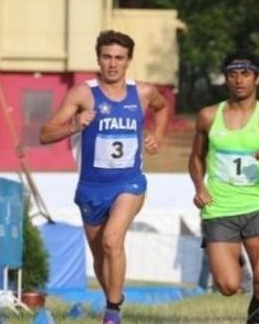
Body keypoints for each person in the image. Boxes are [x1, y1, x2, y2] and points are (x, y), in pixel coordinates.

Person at [39, 30, 169, 324]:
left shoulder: (143, 92)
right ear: (98, 59)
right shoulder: (83, 94)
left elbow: (162, 108)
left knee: (113, 241)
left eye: (119, 58)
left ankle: (112, 312)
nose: (112, 64)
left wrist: (157, 137)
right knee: (100, 257)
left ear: (128, 61)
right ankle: (114, 295)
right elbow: (45, 134)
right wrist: (75, 124)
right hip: (91, 187)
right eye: (107, 57)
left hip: (129, 182)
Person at [188, 50, 259, 324]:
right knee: (229, 287)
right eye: (233, 74)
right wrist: (198, 186)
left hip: (257, 207)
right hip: (219, 208)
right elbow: (196, 158)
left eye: (246, 74)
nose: (239, 80)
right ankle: (235, 258)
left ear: (257, 79)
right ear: (226, 78)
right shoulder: (207, 116)